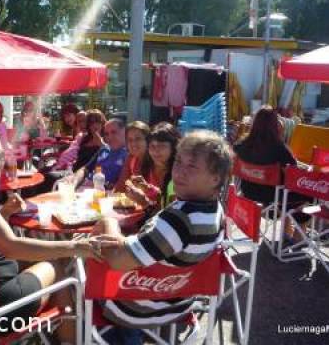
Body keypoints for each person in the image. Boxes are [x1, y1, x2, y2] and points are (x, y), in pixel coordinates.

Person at [0, 126, 102, 342]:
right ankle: (69, 340)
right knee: (58, 266)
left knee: (42, 257)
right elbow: (10, 245)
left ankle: (57, 333)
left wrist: (4, 212)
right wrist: (76, 247)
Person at [91, 130, 232, 330]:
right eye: (178, 162)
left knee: (65, 268)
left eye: (191, 166)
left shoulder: (180, 220)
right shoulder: (215, 211)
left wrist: (109, 222)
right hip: (179, 306)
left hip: (135, 310)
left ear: (215, 179)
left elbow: (117, 260)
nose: (179, 172)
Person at [233, 105, 309, 241]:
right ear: (275, 125)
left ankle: (286, 232)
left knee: (286, 190)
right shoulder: (279, 149)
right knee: (307, 195)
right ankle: (299, 239)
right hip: (273, 202)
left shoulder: (242, 145)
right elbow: (293, 174)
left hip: (248, 195)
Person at [125, 122, 181, 212]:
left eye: (161, 146)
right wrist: (147, 188)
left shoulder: (179, 177)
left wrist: (145, 203)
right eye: (152, 146)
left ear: (174, 147)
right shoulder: (147, 166)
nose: (156, 151)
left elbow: (169, 218)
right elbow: (162, 198)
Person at [72, 118, 127, 189]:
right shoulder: (104, 149)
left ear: (124, 131)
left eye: (114, 132)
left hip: (104, 193)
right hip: (85, 188)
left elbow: (121, 185)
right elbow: (84, 169)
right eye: (107, 134)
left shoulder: (128, 154)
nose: (110, 137)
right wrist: (74, 183)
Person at [114, 121, 150, 193]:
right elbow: (121, 184)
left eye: (138, 139)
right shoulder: (131, 158)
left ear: (147, 140)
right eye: (130, 140)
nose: (133, 143)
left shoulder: (155, 160)